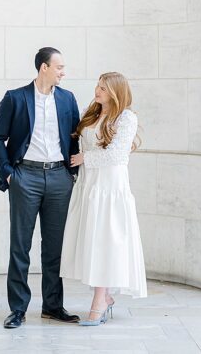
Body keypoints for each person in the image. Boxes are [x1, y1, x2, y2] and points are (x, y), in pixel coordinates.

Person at [0, 47, 82, 329]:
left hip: (58, 178)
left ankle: (52, 307)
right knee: (21, 246)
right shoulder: (15, 98)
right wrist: (8, 174)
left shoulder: (67, 99)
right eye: (59, 67)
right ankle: (17, 309)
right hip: (24, 176)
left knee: (54, 249)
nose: (63, 72)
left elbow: (75, 137)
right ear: (44, 67)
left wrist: (72, 173)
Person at [60, 72, 147, 325]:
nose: (97, 91)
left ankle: (99, 301)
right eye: (98, 86)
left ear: (116, 92)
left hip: (110, 188)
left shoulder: (126, 117)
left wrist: (86, 158)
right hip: (89, 185)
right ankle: (105, 296)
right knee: (94, 240)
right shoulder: (93, 114)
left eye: (104, 88)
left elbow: (118, 155)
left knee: (106, 240)